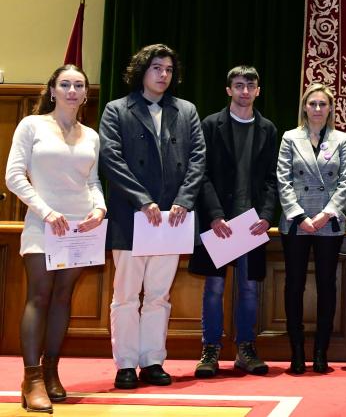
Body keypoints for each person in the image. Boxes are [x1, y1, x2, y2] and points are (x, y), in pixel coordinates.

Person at [99, 44, 206, 389]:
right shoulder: (117, 110)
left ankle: (153, 360)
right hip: (132, 216)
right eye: (156, 67)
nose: (163, 75)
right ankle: (126, 364)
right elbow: (111, 160)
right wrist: (143, 201)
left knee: (159, 295)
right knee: (127, 294)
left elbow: (197, 160)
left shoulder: (186, 111)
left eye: (169, 70)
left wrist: (184, 200)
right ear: (141, 70)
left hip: (172, 218)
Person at [5, 65, 106, 412]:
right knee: (40, 296)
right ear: (52, 90)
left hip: (80, 227)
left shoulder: (91, 135)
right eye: (65, 84)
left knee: (63, 298)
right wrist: (46, 211)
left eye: (79, 85)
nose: (72, 90)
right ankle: (31, 379)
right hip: (44, 223)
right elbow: (13, 176)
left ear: (85, 93)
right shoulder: (31, 125)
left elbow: (92, 182)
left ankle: (51, 372)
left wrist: (100, 209)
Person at [189, 66, 278, 378]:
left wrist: (267, 215)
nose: (244, 91)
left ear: (258, 91)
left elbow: (271, 180)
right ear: (228, 90)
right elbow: (202, 174)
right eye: (238, 85)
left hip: (251, 224)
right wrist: (214, 215)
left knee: (249, 288)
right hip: (219, 222)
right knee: (213, 287)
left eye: (250, 86)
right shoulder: (210, 125)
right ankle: (210, 350)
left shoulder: (268, 128)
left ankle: (246, 349)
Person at [277, 83, 346, 374]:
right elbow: (283, 180)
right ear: (304, 107)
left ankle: (321, 353)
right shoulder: (289, 138)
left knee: (326, 286)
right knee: (294, 285)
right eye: (313, 104)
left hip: (328, 222)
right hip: (296, 223)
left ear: (331, 108)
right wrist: (299, 216)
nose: (318, 109)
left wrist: (326, 214)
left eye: (323, 104)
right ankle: (296, 353)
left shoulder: (342, 139)